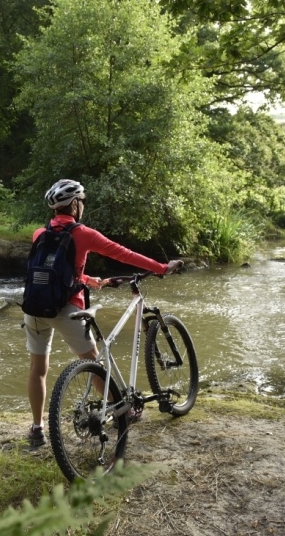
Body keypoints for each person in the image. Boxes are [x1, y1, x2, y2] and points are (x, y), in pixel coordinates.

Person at [24, 179, 183, 449]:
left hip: (34, 309)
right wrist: (161, 268)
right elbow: (124, 254)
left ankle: (37, 429)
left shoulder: (40, 234)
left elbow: (52, 273)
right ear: (74, 204)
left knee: (38, 370)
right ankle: (124, 412)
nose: (82, 205)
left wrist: (86, 278)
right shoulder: (83, 234)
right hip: (66, 310)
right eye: (81, 201)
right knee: (96, 367)